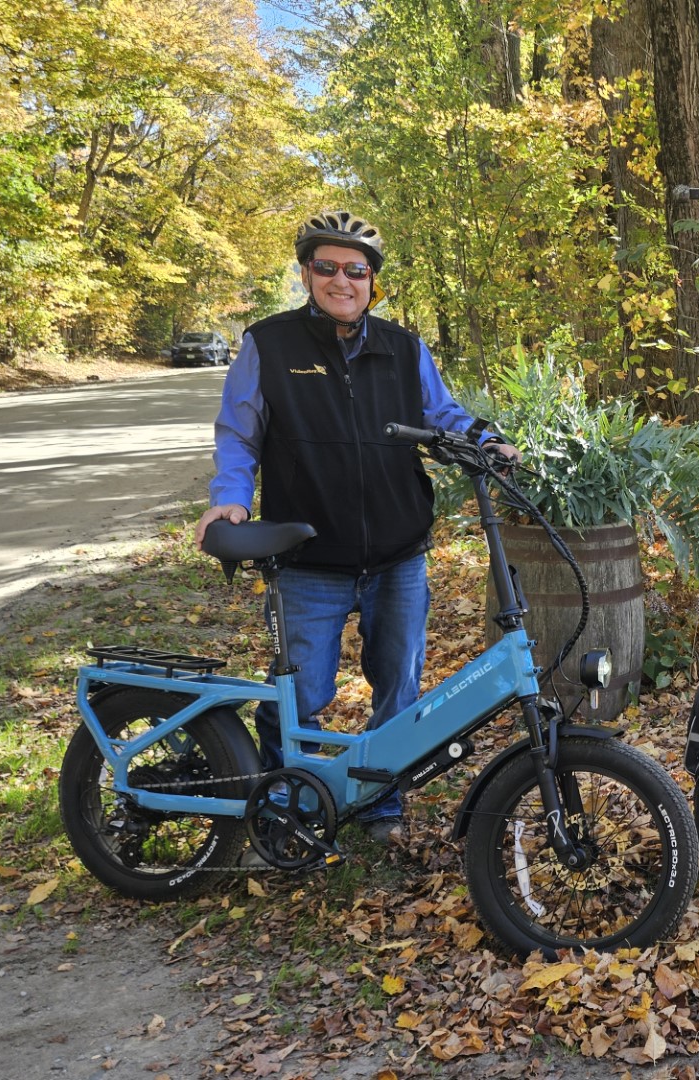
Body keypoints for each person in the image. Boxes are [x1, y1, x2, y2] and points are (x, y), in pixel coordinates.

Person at [195, 210, 515, 844]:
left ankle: (378, 806)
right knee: (303, 693)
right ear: (308, 272)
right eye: (327, 267)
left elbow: (442, 412)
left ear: (373, 281)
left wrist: (487, 439)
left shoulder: (402, 347)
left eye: (356, 270)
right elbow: (238, 433)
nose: (342, 281)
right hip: (310, 557)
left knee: (398, 686)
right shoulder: (269, 344)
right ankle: (283, 802)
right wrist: (229, 496)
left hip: (398, 554)